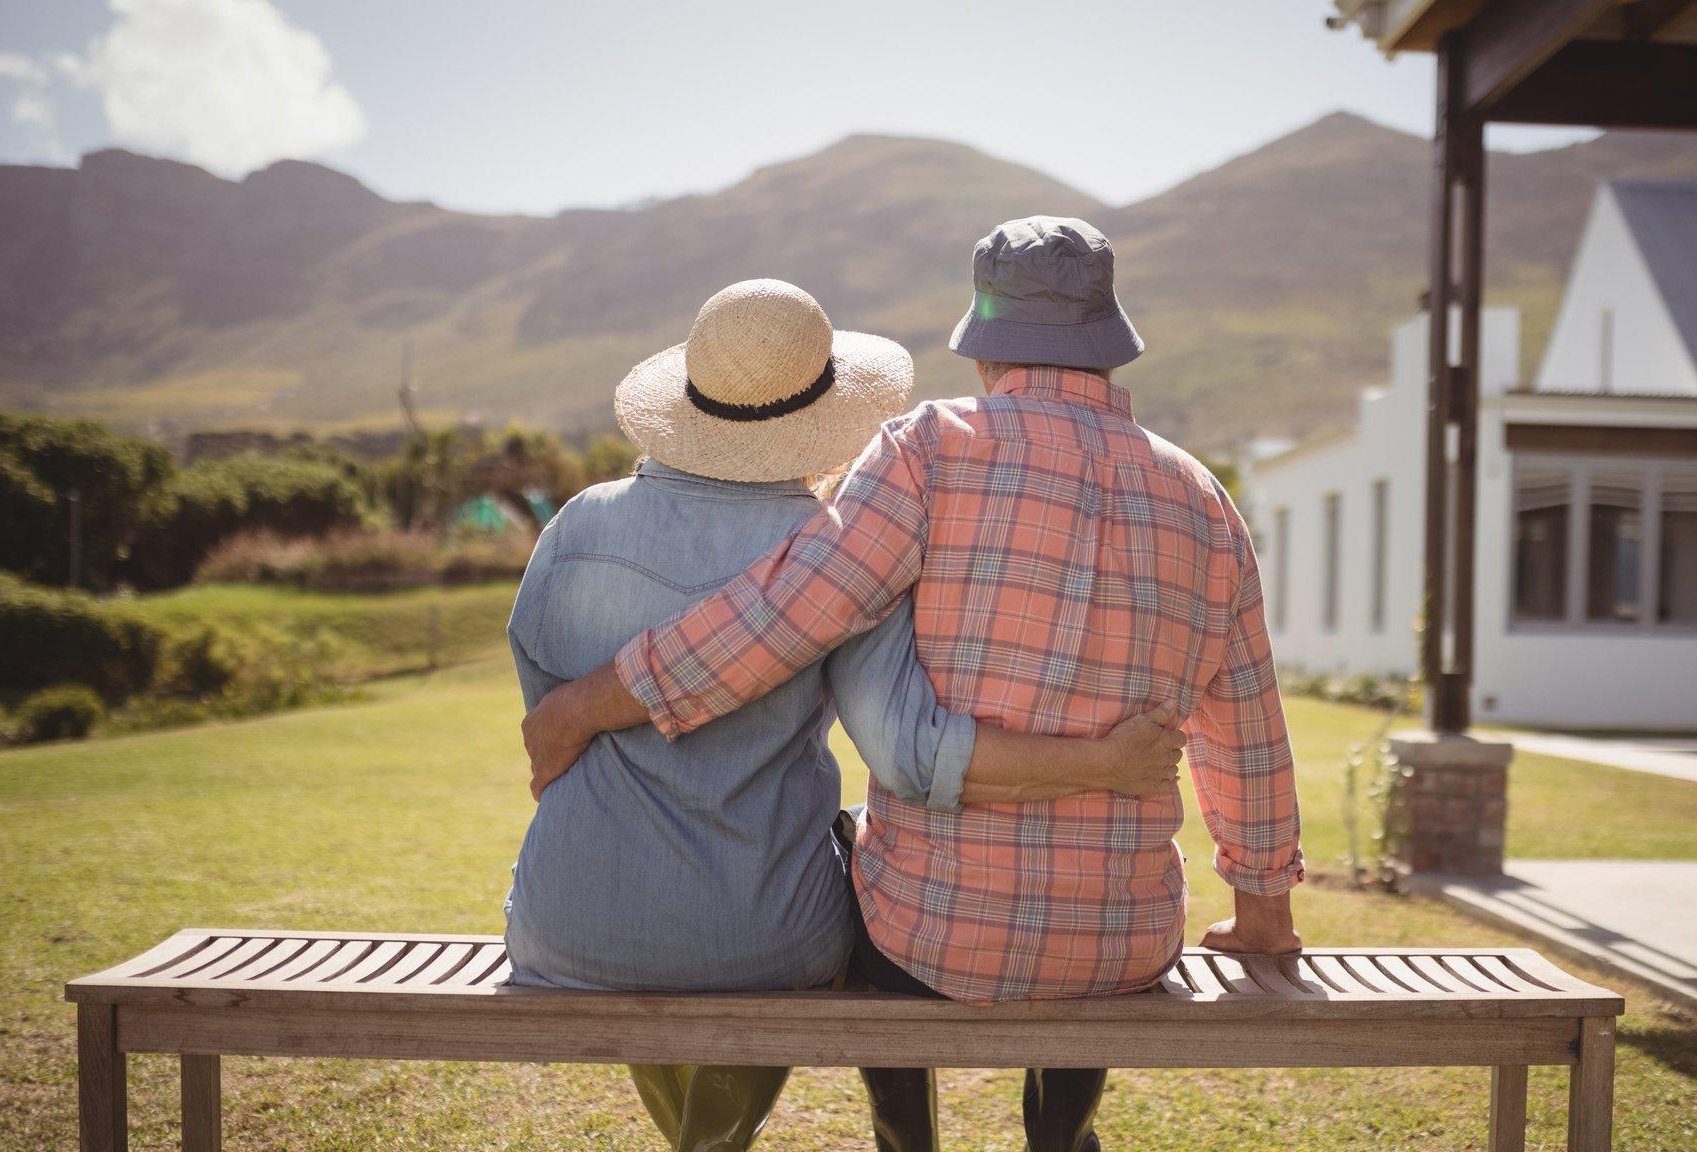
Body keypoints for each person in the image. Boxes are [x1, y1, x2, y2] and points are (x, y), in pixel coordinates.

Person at [523, 217, 1305, 1152]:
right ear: (1106, 346)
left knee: (870, 889)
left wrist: (592, 699)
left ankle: (908, 1141)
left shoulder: (929, 448)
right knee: (1097, 904)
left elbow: (784, 616)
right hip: (1123, 944)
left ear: (984, 353)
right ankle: (1060, 1135)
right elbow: (1248, 725)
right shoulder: (1204, 500)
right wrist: (1263, 911)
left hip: (929, 942)